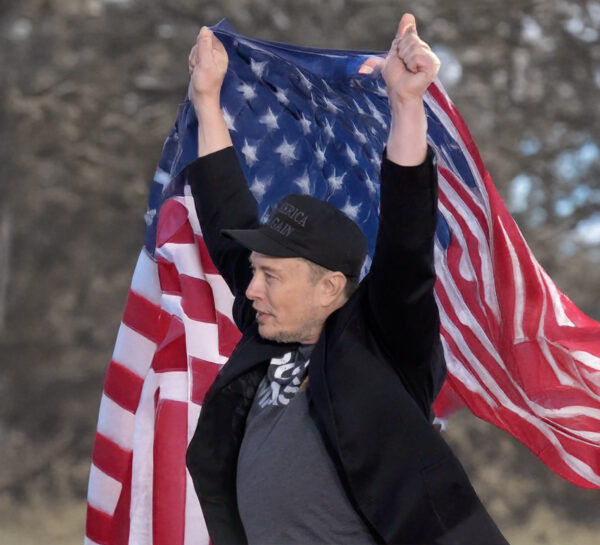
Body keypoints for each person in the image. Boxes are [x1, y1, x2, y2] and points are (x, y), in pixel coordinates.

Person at [185, 13, 509, 545]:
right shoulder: (272, 333)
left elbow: (406, 243)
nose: (250, 289)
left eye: (270, 276)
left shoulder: (383, 343)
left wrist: (406, 104)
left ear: (329, 287)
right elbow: (226, 219)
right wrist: (206, 100)